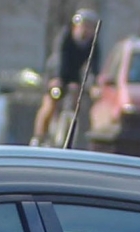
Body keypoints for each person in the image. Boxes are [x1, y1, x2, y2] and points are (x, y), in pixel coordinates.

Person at [32, 10, 101, 146]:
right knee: (50, 104)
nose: (85, 31)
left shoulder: (94, 45)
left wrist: (94, 85)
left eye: (89, 27)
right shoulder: (65, 38)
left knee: (77, 101)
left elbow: (94, 66)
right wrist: (57, 78)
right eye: (83, 26)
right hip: (57, 73)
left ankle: (68, 136)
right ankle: (38, 137)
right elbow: (59, 59)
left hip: (75, 77)